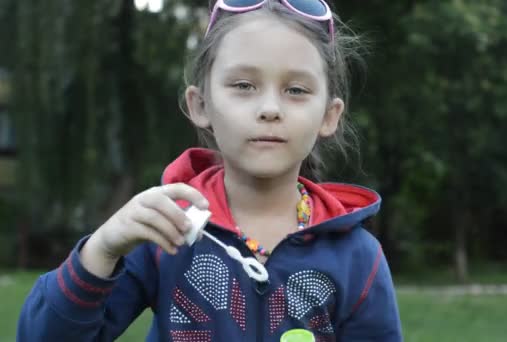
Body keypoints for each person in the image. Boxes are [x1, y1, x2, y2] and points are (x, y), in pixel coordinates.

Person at [17, 0, 403, 341]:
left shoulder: (358, 257)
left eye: (296, 90)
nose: (270, 108)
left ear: (329, 116)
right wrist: (101, 251)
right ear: (200, 104)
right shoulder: (167, 229)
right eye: (243, 85)